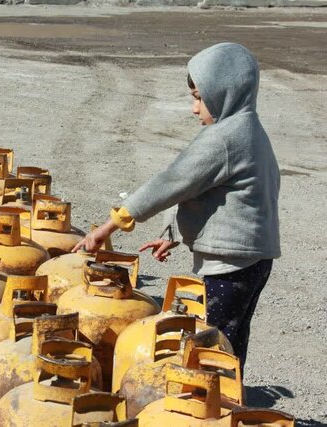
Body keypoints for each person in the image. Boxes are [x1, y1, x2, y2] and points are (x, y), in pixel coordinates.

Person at [73, 42, 280, 371]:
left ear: (224, 92)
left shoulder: (224, 138)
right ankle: (228, 403)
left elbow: (170, 183)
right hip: (254, 260)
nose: (193, 108)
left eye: (199, 97)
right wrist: (172, 232)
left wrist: (110, 226)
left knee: (209, 346)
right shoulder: (250, 128)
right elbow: (206, 191)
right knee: (232, 340)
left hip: (229, 267)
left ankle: (206, 408)